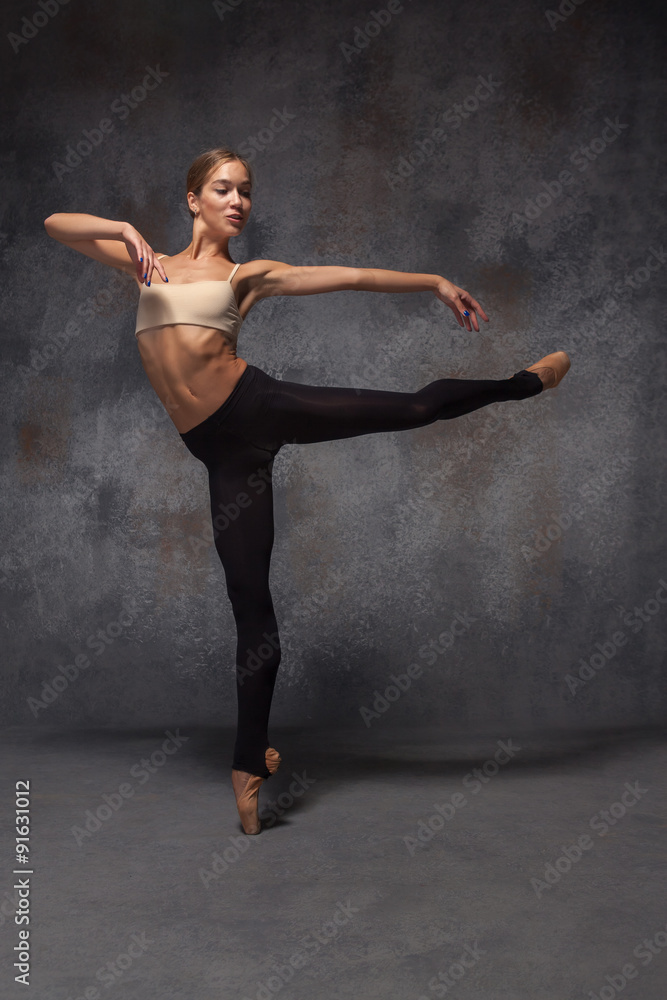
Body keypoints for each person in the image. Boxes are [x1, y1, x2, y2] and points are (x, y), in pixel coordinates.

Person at [44, 146, 570, 835]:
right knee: (252, 609)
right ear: (192, 199)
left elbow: (348, 276)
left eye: (246, 192)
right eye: (223, 189)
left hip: (254, 408)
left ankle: (522, 383)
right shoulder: (148, 266)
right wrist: (124, 231)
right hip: (221, 454)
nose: (238, 201)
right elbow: (56, 223)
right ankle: (246, 765)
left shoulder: (246, 276)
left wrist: (432, 281)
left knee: (411, 409)